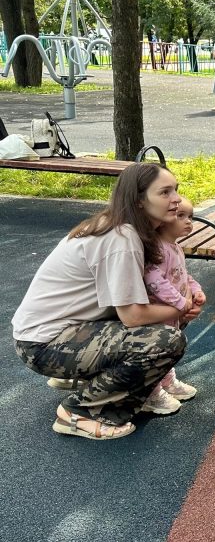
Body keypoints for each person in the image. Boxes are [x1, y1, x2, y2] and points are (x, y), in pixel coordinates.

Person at [12, 163, 197, 440]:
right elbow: (133, 317)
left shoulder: (128, 230)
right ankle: (80, 412)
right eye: (165, 192)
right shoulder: (121, 238)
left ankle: (111, 383)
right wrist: (182, 306)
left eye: (176, 191)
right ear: (139, 200)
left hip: (67, 330)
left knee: (163, 318)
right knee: (165, 340)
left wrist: (186, 298)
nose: (176, 199)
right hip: (43, 344)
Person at [142, 197, 205, 415]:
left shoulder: (175, 247)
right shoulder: (158, 249)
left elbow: (183, 276)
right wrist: (180, 303)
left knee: (169, 349)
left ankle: (167, 381)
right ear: (164, 220)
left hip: (173, 313)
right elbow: (154, 280)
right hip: (158, 312)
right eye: (181, 216)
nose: (188, 222)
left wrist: (196, 290)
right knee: (157, 352)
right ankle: (152, 392)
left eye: (191, 217)